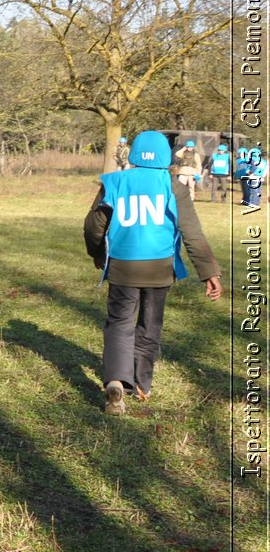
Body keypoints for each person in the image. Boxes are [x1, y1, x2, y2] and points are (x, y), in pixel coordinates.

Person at [84, 130, 222, 415]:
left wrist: (98, 253)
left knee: (120, 323)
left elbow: (93, 226)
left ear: (134, 154)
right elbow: (192, 234)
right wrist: (210, 273)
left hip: (123, 266)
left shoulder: (115, 181)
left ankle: (116, 382)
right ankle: (142, 384)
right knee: (150, 325)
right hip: (160, 268)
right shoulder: (174, 187)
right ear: (165, 156)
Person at [245, 148, 266, 214]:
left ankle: (253, 204)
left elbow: (250, 168)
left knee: (253, 190)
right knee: (258, 191)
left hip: (254, 176)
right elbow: (265, 169)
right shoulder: (264, 161)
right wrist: (263, 176)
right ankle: (256, 203)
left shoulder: (253, 160)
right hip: (260, 177)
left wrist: (249, 173)